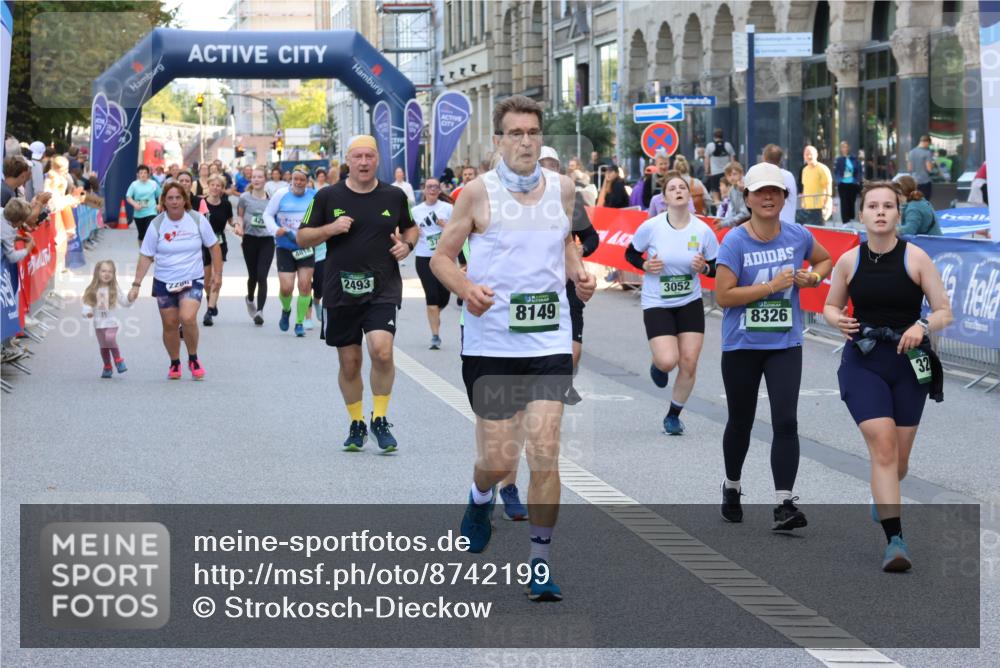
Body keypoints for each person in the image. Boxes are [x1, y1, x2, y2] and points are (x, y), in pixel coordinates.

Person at [430, 95, 597, 602]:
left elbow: (564, 242)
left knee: (545, 452)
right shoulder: (476, 195)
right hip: (492, 341)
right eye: (515, 133)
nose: (525, 141)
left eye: (532, 132)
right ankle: (481, 496)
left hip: (546, 338)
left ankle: (540, 563)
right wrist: (466, 289)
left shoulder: (565, 190)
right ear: (498, 141)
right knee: (500, 459)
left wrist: (580, 274)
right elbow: (442, 258)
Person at [823, 181, 952, 571]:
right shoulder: (849, 261)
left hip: (909, 363)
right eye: (873, 206)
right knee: (882, 447)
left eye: (888, 206)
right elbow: (830, 305)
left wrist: (923, 325)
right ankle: (895, 541)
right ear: (861, 215)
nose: (880, 212)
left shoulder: (916, 258)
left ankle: (885, 497)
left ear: (899, 213)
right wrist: (838, 320)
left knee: (899, 460)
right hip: (863, 361)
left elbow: (944, 311)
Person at [714, 161, 832, 530]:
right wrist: (772, 287)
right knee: (741, 421)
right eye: (760, 191)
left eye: (775, 191)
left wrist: (812, 277)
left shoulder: (797, 235)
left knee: (786, 420)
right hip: (742, 345)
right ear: (746, 197)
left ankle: (784, 503)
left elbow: (826, 260)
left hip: (784, 342)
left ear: (784, 197)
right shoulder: (735, 240)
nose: (768, 197)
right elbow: (723, 296)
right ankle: (732, 486)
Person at [296, 135, 417, 452]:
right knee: (350, 362)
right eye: (358, 157)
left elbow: (411, 227)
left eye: (369, 156)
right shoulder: (326, 196)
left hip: (383, 287)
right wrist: (330, 229)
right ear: (347, 160)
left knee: (382, 351)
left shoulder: (394, 196)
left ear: (378, 160)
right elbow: (302, 237)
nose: (364, 162)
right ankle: (357, 422)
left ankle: (380, 418)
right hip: (340, 290)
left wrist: (408, 244)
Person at [626, 171, 719, 435]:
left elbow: (716, 266)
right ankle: (658, 364)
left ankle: (673, 415)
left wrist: (705, 269)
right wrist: (644, 264)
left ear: (689, 196)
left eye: (682, 188)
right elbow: (630, 253)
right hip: (657, 301)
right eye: (672, 189)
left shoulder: (702, 230)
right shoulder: (652, 226)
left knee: (688, 362)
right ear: (664, 197)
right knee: (669, 361)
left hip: (689, 300)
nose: (678, 191)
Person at [128, 181, 222, 380]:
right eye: (170, 198)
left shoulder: (197, 220)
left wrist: (217, 275)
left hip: (192, 278)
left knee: (187, 318)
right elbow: (146, 255)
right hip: (164, 280)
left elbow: (214, 246)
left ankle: (193, 357)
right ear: (164, 200)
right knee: (170, 324)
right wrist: (136, 284)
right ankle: (174, 362)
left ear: (184, 200)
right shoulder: (157, 224)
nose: (174, 202)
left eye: (178, 197)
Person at [263, 168, 317, 337]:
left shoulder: (314, 196)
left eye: (302, 180)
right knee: (286, 288)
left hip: (306, 246)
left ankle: (299, 322)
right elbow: (267, 214)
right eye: (295, 179)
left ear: (307, 181)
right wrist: (275, 229)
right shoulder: (281, 194)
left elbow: (323, 217)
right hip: (285, 246)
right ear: (291, 180)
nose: (299, 183)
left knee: (305, 285)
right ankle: (286, 310)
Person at [411, 178, 453, 349]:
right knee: (432, 296)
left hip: (443, 257)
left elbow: (459, 229)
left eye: (436, 187)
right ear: (424, 190)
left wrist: (446, 226)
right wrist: (415, 231)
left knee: (444, 296)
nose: (432, 190)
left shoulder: (448, 208)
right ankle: (435, 336)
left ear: (440, 190)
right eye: (429, 187)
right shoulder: (415, 211)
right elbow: (404, 231)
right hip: (423, 257)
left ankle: (434, 312)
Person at [82, 260, 133, 378]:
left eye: (110, 271)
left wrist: (130, 298)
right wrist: (87, 312)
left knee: (110, 338)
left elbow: (125, 302)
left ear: (113, 274)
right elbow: (87, 304)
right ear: (97, 273)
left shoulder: (115, 288)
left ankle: (118, 360)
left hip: (112, 322)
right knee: (104, 346)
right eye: (104, 271)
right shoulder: (91, 289)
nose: (107, 274)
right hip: (98, 324)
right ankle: (107, 367)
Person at [237, 167, 274, 325]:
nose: (256, 179)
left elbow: (275, 217)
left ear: (265, 179)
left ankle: (260, 311)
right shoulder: (245, 197)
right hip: (250, 239)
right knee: (252, 275)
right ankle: (250, 298)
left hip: (267, 240)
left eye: (259, 177)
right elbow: (239, 216)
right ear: (251, 180)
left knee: (262, 276)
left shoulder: (271, 199)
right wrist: (239, 227)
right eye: (254, 177)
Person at [199, 174, 236, 326]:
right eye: (213, 185)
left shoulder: (226, 205)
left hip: (219, 244)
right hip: (202, 245)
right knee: (207, 281)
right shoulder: (200, 203)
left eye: (218, 186)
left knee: (216, 278)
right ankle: (211, 300)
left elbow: (231, 221)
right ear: (208, 186)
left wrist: (238, 226)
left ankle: (209, 310)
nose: (215, 188)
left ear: (222, 189)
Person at [762, 144, 798, 225]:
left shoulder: (763, 176)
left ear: (763, 158)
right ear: (781, 159)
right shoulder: (789, 176)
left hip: (771, 228)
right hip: (789, 225)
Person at [125, 164, 161, 244]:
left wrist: (160, 204)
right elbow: (128, 197)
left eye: (145, 173)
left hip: (151, 211)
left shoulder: (153, 184)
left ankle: (149, 251)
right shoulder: (134, 185)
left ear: (148, 174)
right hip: (139, 213)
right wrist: (135, 204)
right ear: (137, 174)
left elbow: (160, 194)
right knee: (141, 234)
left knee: (150, 231)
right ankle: (142, 251)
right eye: (141, 173)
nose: (143, 175)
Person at [798, 145, 833, 225]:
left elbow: (828, 186)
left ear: (816, 155)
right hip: (807, 208)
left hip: (819, 207)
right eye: (806, 154)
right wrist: (803, 203)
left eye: (811, 154)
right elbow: (805, 187)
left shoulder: (823, 169)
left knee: (819, 232)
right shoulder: (804, 170)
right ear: (804, 156)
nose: (809, 156)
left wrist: (827, 204)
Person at [834, 141, 863, 223]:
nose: (844, 148)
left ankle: (851, 219)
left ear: (848, 148)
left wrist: (857, 179)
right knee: (844, 202)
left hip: (852, 183)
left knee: (851, 201)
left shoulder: (854, 159)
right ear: (841, 149)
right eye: (843, 147)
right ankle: (845, 221)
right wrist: (838, 180)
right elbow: (836, 171)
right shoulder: (839, 160)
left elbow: (858, 170)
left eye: (846, 147)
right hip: (843, 183)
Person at [1, 198, 37, 263]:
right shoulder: (6, 232)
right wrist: (28, 249)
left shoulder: (3, 211)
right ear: (19, 222)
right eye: (23, 221)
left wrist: (21, 238)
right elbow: (12, 257)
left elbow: (4, 236)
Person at [704, 128, 737, 195]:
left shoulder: (710, 146)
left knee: (715, 191)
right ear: (722, 136)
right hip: (726, 173)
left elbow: (706, 160)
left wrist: (707, 171)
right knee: (728, 191)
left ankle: (718, 204)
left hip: (715, 173)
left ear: (714, 136)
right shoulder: (728, 145)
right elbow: (733, 161)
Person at [718, 161, 749, 227]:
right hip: (740, 223)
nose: (732, 178)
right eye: (729, 175)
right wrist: (725, 221)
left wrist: (725, 223)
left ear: (741, 173)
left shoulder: (747, 186)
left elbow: (746, 213)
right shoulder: (732, 190)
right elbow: (733, 211)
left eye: (734, 174)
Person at [906, 135, 935, 200]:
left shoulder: (911, 152)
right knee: (925, 200)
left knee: (914, 200)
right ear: (926, 142)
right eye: (929, 144)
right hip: (924, 181)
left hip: (914, 181)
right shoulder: (927, 153)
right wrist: (933, 164)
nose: (928, 146)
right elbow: (929, 169)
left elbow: (909, 168)